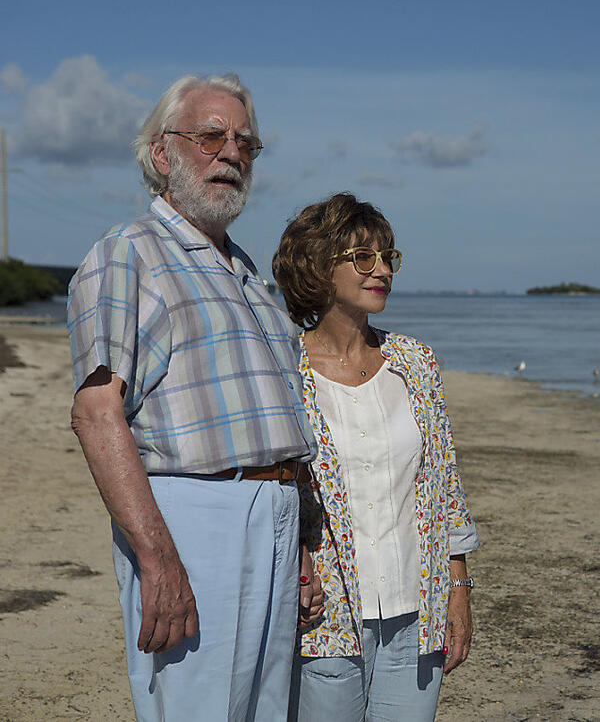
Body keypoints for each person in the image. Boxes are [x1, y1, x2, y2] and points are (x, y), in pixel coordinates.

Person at [67, 74, 317, 721]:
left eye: (245, 143)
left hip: (272, 516)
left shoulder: (246, 272)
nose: (232, 153)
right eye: (211, 137)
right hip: (195, 519)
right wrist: (158, 559)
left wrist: (298, 540)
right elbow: (97, 413)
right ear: (161, 153)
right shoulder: (129, 253)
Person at [273, 193, 480, 721]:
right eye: (363, 257)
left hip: (418, 614)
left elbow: (445, 486)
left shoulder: (415, 362)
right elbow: (274, 489)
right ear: (318, 264)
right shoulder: (282, 369)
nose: (382, 270)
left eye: (388, 257)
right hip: (323, 617)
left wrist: (458, 588)